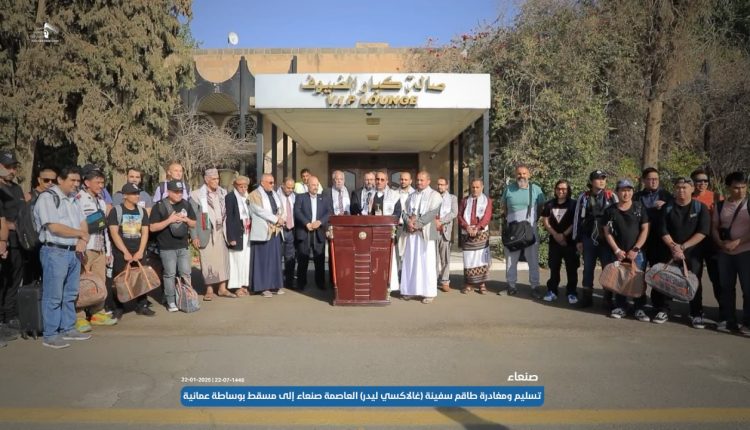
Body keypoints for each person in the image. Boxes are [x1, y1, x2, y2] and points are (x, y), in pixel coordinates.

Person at [33, 166, 91, 349]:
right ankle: (51, 334)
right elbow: (54, 227)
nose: (76, 184)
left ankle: (68, 328)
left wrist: (82, 240)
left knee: (70, 293)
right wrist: (81, 234)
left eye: (78, 181)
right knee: (54, 295)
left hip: (73, 252)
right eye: (72, 180)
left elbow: (83, 222)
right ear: (60, 180)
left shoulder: (74, 199)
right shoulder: (47, 198)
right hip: (55, 251)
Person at [657, 177, 710, 327]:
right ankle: (664, 309)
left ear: (692, 189)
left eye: (685, 187)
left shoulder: (700, 207)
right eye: (678, 187)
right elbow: (663, 230)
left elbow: (703, 231)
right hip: (671, 250)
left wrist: (683, 247)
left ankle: (696, 313)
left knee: (694, 282)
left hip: (693, 253)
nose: (681, 190)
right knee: (667, 280)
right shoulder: (667, 207)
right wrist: (674, 247)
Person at [75, 165, 117, 332]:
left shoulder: (101, 201)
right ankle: (79, 316)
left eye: (102, 182)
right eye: (97, 182)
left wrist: (108, 251)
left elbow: (103, 227)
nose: (101, 186)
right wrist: (79, 246)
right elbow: (77, 225)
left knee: (99, 281)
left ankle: (97, 312)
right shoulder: (79, 199)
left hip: (100, 247)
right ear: (86, 182)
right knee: (82, 282)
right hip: (85, 247)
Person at [602, 179, 650, 321]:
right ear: (617, 192)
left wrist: (636, 248)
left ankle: (639, 308)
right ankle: (621, 306)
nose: (626, 193)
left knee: (638, 280)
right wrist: (617, 250)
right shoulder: (610, 211)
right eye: (623, 190)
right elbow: (607, 232)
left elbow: (645, 229)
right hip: (618, 252)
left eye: (629, 190)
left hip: (637, 253)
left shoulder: (639, 208)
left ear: (632, 192)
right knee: (620, 279)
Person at [712, 171, 750, 335]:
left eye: (743, 187)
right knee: (726, 288)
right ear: (728, 188)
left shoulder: (748, 204)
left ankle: (747, 322)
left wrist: (738, 242)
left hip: (746, 252)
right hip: (725, 253)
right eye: (736, 188)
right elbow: (714, 226)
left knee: (748, 289)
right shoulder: (720, 206)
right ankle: (728, 319)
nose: (740, 191)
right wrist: (719, 242)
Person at [573, 170, 618, 308]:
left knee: (607, 269)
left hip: (607, 240)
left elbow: (618, 217)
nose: (602, 181)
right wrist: (577, 240)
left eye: (604, 178)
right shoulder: (584, 197)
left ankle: (608, 298)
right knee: (588, 269)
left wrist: (617, 242)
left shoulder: (611, 196)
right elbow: (577, 219)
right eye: (598, 178)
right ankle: (587, 297)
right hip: (588, 238)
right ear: (591, 181)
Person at [149, 180, 196, 311]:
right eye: (176, 192)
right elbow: (152, 227)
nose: (179, 194)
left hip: (183, 246)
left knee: (186, 273)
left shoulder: (186, 204)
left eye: (181, 191)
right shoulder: (159, 206)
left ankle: (187, 298)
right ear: (168, 192)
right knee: (170, 274)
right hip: (167, 247)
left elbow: (193, 223)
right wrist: (169, 220)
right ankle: (170, 301)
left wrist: (186, 219)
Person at [107, 182, 154, 316]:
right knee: (119, 279)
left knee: (141, 278)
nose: (137, 196)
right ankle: (118, 307)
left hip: (138, 251)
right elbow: (114, 233)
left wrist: (140, 251)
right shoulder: (116, 211)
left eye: (137, 193)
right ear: (125, 196)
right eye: (133, 194)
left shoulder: (142, 211)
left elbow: (145, 232)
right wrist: (125, 252)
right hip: (121, 252)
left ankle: (142, 305)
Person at [499, 164, 546, 298]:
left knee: (533, 260)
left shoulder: (536, 189)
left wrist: (533, 220)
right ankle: (511, 286)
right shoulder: (508, 189)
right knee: (510, 259)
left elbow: (541, 207)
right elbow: (504, 207)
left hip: (530, 230)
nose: (522, 176)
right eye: (519, 173)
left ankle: (535, 287)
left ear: (529, 175)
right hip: (513, 231)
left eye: (524, 173)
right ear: (515, 175)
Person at [400, 171, 443, 304]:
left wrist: (417, 224)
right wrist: (408, 222)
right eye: (418, 180)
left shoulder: (435, 195)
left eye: (422, 180)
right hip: (411, 234)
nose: (419, 182)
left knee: (426, 263)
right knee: (411, 262)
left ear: (428, 181)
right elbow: (404, 211)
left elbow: (432, 213)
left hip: (425, 234)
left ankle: (428, 293)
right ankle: (410, 290)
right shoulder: (411, 195)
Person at [190, 168, 231, 300]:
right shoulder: (196, 195)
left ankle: (222, 288)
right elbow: (192, 218)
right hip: (205, 231)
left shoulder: (223, 193)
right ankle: (209, 290)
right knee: (207, 259)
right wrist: (194, 236)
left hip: (221, 231)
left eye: (217, 178)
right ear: (206, 180)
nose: (216, 181)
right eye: (213, 179)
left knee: (222, 260)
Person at [0, 152, 27, 336]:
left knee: (14, 281)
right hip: (4, 242)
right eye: (7, 166)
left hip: (19, 243)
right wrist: (12, 226)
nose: (12, 170)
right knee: (2, 282)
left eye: (14, 167)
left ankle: (9, 317)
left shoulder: (17, 189)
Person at [541, 179, 579, 303]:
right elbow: (545, 221)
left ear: (568, 190)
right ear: (555, 190)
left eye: (564, 189)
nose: (561, 191)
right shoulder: (549, 204)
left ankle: (572, 292)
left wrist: (563, 235)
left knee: (571, 268)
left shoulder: (574, 204)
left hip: (570, 243)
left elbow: (575, 222)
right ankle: (552, 291)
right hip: (554, 242)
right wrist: (555, 235)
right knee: (554, 268)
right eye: (558, 188)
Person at [248, 174, 285, 297]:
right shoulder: (254, 195)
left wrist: (280, 217)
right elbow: (259, 211)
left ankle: (274, 285)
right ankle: (263, 287)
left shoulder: (274, 194)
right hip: (263, 231)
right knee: (263, 260)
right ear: (262, 182)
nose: (273, 185)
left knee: (274, 260)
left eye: (273, 182)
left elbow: (281, 208)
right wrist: (276, 219)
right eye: (270, 182)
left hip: (275, 231)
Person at [691, 168, 722, 307]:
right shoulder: (687, 197)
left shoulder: (717, 197)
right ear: (693, 182)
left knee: (717, 278)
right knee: (694, 278)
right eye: (699, 181)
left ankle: (724, 311)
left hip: (713, 243)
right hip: (694, 244)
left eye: (705, 180)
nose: (702, 183)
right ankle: (696, 311)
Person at [294, 176, 331, 291]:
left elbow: (329, 212)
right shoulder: (300, 197)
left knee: (319, 259)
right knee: (302, 259)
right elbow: (297, 211)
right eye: (313, 185)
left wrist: (320, 222)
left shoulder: (324, 198)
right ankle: (301, 283)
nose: (315, 187)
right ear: (308, 186)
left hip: (319, 232)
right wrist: (306, 223)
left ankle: (320, 282)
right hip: (305, 232)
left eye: (317, 185)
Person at [634, 167, 673, 270]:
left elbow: (673, 214)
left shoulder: (666, 195)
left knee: (657, 270)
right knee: (638, 270)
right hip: (642, 238)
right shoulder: (637, 197)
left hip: (660, 239)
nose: (654, 181)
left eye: (656, 179)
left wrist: (665, 206)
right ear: (644, 180)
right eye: (650, 179)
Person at [458, 179, 492, 294]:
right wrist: (467, 227)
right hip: (467, 233)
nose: (475, 189)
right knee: (469, 260)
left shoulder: (487, 201)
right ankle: (469, 284)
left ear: (482, 187)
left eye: (477, 187)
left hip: (481, 233)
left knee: (481, 260)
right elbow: (460, 216)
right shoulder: (464, 201)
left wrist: (477, 228)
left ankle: (482, 284)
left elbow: (487, 216)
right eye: (473, 187)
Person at [371, 171, 402, 291]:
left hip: (387, 232)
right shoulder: (370, 194)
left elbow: (397, 213)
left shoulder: (394, 195)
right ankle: (375, 283)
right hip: (373, 233)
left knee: (388, 259)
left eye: (382, 179)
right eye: (377, 179)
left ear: (387, 181)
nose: (379, 182)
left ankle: (389, 285)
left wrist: (388, 226)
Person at [224, 176, 252, 297]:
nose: (243, 188)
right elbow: (229, 218)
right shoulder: (230, 197)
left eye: (245, 186)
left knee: (245, 260)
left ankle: (244, 284)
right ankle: (236, 286)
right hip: (236, 233)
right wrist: (231, 237)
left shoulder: (247, 197)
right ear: (235, 186)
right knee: (236, 260)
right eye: (241, 186)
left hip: (247, 232)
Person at [435, 177, 457, 293]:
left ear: (447, 186)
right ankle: (433, 280)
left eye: (442, 184)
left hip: (445, 231)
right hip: (433, 230)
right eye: (438, 184)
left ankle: (445, 281)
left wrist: (441, 221)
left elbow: (454, 213)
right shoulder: (433, 197)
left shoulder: (452, 198)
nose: (440, 187)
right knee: (433, 258)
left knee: (445, 258)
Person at [276, 177, 297, 290]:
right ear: (283, 185)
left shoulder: (294, 196)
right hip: (279, 230)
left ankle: (289, 282)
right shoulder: (275, 195)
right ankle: (277, 282)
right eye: (288, 187)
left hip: (291, 230)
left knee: (290, 258)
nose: (290, 190)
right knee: (278, 257)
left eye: (292, 188)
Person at [396, 171, 415, 270]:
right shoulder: (394, 193)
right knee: (398, 251)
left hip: (411, 226)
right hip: (398, 225)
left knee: (410, 251)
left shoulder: (415, 194)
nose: (403, 181)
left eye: (405, 179)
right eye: (401, 179)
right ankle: (398, 274)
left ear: (410, 181)